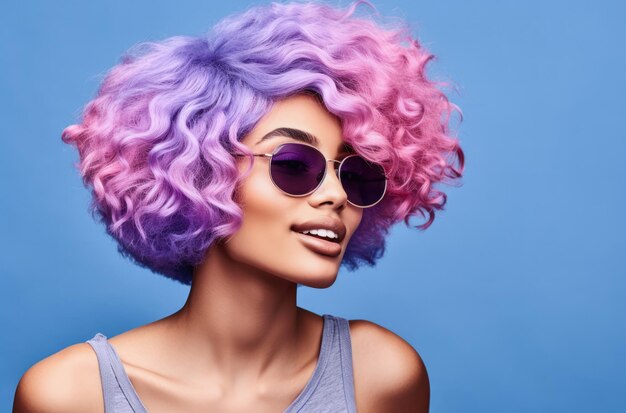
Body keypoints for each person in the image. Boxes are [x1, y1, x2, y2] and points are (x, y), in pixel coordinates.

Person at [13, 1, 464, 412]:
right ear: (203, 176)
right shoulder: (71, 395)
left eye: (357, 174)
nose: (336, 194)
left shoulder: (381, 376)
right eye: (294, 164)